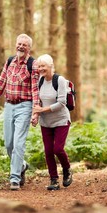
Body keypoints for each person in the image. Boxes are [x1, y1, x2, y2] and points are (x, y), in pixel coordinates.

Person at [0, 33, 40, 191]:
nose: (21, 46)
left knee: (18, 144)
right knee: (9, 144)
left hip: (25, 106)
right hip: (9, 106)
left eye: (24, 44)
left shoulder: (33, 64)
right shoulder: (9, 61)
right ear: (15, 44)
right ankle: (22, 165)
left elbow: (35, 90)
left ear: (29, 48)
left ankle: (14, 178)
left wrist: (35, 112)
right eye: (19, 43)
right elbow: (1, 83)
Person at [33, 54, 73, 191]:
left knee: (58, 149)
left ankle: (67, 169)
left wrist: (43, 109)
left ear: (51, 66)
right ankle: (54, 179)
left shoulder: (60, 80)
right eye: (39, 66)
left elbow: (62, 102)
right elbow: (37, 101)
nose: (40, 69)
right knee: (48, 151)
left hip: (61, 120)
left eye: (43, 66)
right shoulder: (40, 81)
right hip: (46, 122)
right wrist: (36, 114)